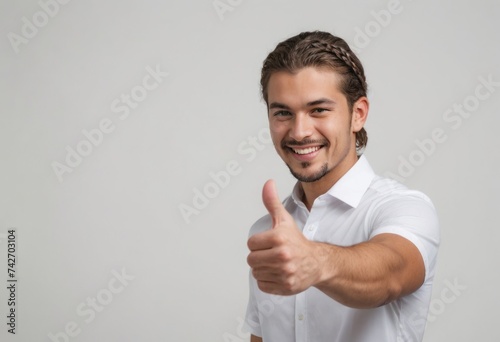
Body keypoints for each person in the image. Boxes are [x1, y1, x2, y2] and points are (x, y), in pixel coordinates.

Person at [244, 31, 440, 342]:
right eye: (283, 112)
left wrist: (315, 262)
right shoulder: (267, 232)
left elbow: (389, 275)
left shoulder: (403, 209)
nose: (299, 131)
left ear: (357, 114)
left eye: (318, 110)